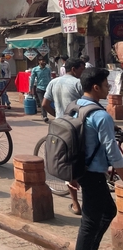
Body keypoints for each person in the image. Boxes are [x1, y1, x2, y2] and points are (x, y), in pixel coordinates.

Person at [73, 67, 123, 249]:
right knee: (90, 222)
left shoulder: (75, 106)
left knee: (107, 211)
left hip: (79, 169)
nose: (108, 88)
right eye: (105, 85)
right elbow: (114, 153)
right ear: (95, 87)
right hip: (93, 174)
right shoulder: (101, 116)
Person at [42, 56, 86, 215]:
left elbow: (45, 104)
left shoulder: (53, 82)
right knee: (80, 162)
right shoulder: (78, 83)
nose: (83, 72)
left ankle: (75, 204)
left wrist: (58, 117)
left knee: (69, 164)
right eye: (81, 69)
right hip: (77, 128)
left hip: (62, 129)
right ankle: (79, 202)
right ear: (74, 69)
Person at [30, 57, 52, 122]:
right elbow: (32, 79)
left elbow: (49, 78)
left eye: (44, 61)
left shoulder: (48, 69)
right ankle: (44, 116)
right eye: (42, 61)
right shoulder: (35, 69)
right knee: (42, 102)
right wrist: (30, 88)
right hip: (39, 88)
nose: (43, 62)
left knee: (48, 102)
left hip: (47, 88)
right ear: (39, 61)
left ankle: (46, 113)